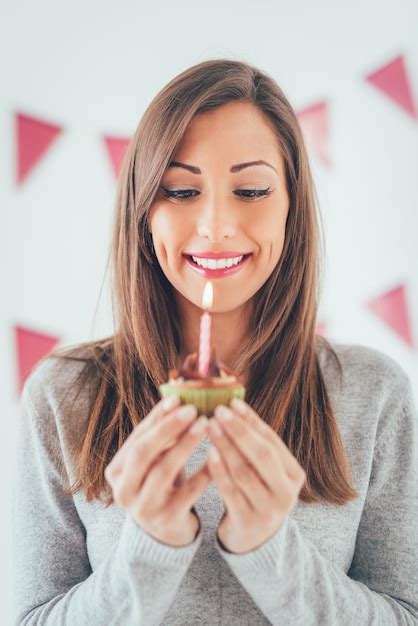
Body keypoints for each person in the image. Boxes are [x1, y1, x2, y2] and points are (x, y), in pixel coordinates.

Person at [13, 59, 418, 625]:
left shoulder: (374, 394)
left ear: (290, 208)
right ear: (144, 212)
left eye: (251, 189)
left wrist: (270, 549)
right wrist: (149, 549)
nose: (216, 225)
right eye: (180, 191)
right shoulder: (63, 395)